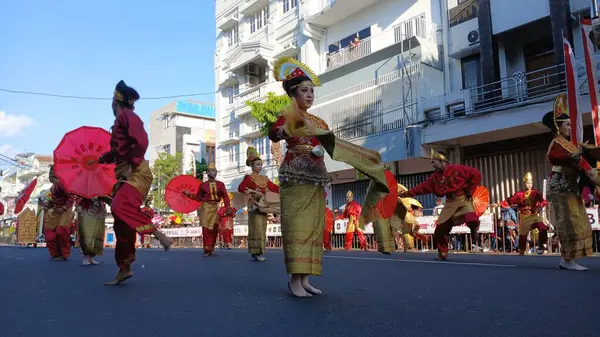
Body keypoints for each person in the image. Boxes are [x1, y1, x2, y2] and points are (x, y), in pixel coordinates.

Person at [269, 57, 387, 297]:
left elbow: (331, 143)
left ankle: (305, 279)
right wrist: (285, 129)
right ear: (293, 94)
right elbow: (274, 134)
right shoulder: (288, 115)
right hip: (294, 175)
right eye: (304, 90)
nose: (310, 95)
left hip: (316, 177)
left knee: (314, 227)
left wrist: (355, 156)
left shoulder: (319, 121)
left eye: (312, 91)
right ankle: (294, 280)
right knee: (297, 227)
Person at [98, 80, 172, 286]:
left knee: (119, 206)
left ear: (115, 102)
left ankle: (158, 234)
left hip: (137, 172)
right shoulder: (121, 121)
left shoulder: (127, 117)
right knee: (122, 223)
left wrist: (134, 161)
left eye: (112, 102)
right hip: (124, 175)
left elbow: (141, 141)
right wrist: (102, 159)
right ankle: (125, 268)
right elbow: (117, 151)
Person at [542, 93, 597, 270]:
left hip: (569, 186)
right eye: (567, 124)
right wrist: (574, 156)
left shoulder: (566, 143)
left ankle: (566, 259)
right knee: (569, 221)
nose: (570, 127)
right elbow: (553, 157)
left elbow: (583, 164)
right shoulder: (557, 143)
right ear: (558, 127)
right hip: (561, 186)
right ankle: (567, 260)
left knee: (576, 220)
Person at [398, 149, 482, 260]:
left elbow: (476, 174)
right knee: (440, 229)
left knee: (471, 218)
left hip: (463, 199)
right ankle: (442, 252)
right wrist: (407, 193)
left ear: (441, 160)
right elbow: (422, 187)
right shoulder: (435, 177)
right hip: (450, 202)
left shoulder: (457, 168)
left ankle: (474, 228)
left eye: (434, 162)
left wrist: (469, 192)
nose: (432, 164)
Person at [238, 146, 279, 261]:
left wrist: (287, 188)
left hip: (264, 206)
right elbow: (240, 187)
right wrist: (250, 192)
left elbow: (275, 188)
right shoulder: (248, 178)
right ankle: (256, 252)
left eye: (261, 164)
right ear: (252, 166)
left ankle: (260, 251)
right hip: (254, 206)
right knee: (256, 228)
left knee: (262, 228)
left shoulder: (265, 179)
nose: (260, 167)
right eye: (257, 164)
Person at [184, 162, 232, 257]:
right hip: (205, 207)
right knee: (206, 228)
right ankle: (206, 249)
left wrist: (228, 206)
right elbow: (198, 198)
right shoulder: (203, 185)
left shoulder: (220, 184)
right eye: (213, 171)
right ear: (208, 172)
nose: (215, 173)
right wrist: (189, 194)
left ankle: (211, 247)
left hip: (215, 207)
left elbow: (225, 196)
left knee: (214, 228)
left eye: (215, 171)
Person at [495, 172, 548, 255]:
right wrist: (498, 204)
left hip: (533, 216)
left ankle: (542, 244)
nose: (529, 185)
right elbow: (509, 201)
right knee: (523, 235)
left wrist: (540, 206)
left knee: (543, 227)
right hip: (524, 217)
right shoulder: (519, 194)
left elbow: (543, 201)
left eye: (531, 183)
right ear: (524, 183)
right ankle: (522, 250)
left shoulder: (536, 193)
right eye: (527, 183)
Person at [44, 165, 76, 261]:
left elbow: (71, 197)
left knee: (61, 230)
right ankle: (55, 253)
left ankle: (65, 253)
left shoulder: (62, 184)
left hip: (65, 211)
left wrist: (64, 208)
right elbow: (53, 201)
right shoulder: (53, 187)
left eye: (52, 172)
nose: (50, 175)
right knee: (48, 231)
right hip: (56, 211)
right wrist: (47, 204)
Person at [75, 197, 108, 265]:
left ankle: (92, 257)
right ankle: (86, 257)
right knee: (87, 233)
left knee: (97, 233)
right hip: (86, 210)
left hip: (99, 212)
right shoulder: (82, 188)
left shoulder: (102, 189)